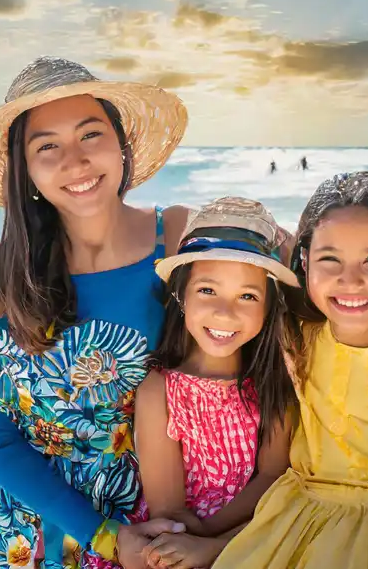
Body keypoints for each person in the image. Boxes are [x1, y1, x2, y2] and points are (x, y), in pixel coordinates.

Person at [0, 56, 193, 569]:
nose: (74, 161)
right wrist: (105, 537)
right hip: (18, 532)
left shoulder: (182, 240)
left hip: (152, 518)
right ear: (26, 169)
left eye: (91, 134)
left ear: (122, 145)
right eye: (47, 146)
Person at [213, 172, 368, 569]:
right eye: (330, 259)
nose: (350, 280)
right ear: (305, 261)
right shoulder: (297, 335)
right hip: (295, 518)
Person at [124, 197, 301, 569]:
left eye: (248, 296)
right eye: (208, 290)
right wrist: (188, 540)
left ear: (268, 307)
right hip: (174, 533)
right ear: (181, 295)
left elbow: (273, 475)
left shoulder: (274, 381)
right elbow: (168, 507)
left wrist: (210, 541)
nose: (226, 311)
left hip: (249, 529)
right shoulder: (159, 388)